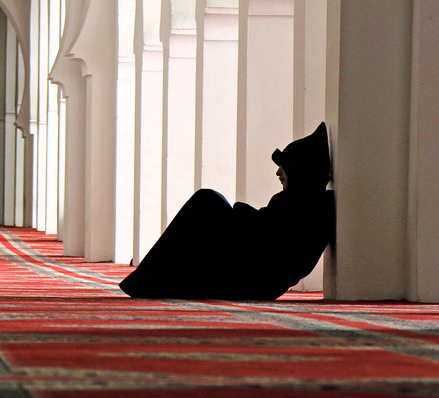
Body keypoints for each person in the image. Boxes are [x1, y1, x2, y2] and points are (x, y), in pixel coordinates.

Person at [119, 122, 335, 300]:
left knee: (207, 201)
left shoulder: (304, 205)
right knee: (208, 206)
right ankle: (150, 280)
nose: (278, 172)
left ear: (301, 170)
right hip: (252, 277)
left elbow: (265, 239)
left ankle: (146, 280)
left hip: (252, 282)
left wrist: (238, 211)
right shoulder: (305, 202)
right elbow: (266, 233)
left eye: (284, 167)